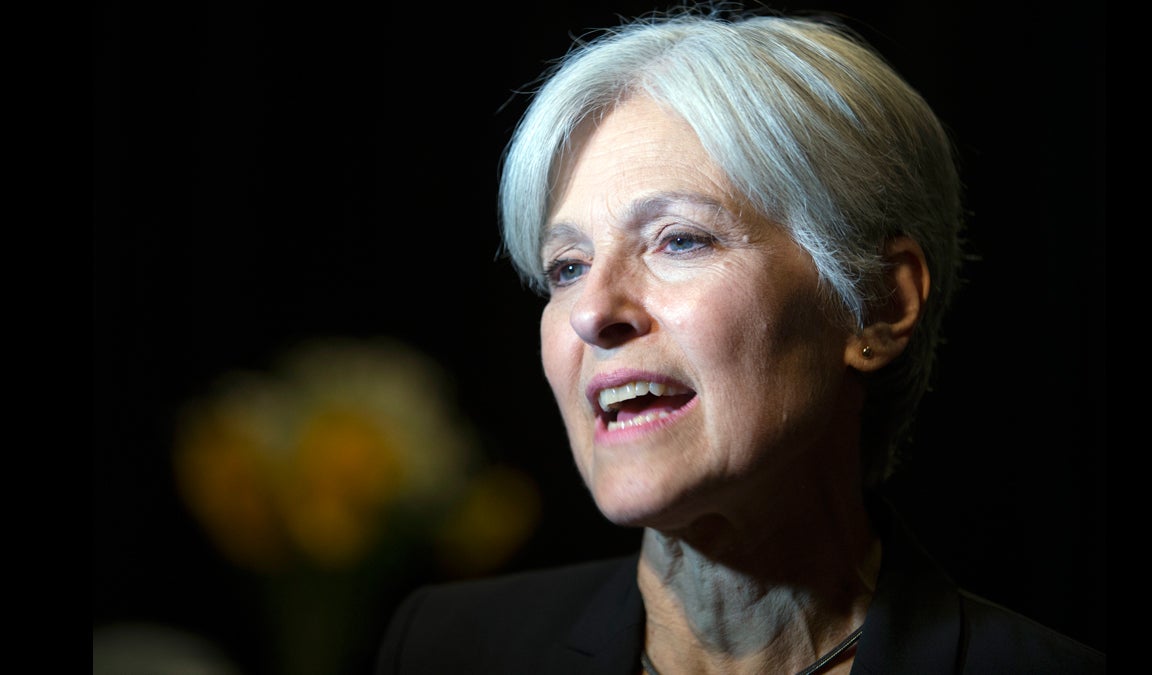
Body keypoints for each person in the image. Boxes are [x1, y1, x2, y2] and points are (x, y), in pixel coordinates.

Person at [375, 5, 1105, 674]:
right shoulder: (446, 647)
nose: (592, 312)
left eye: (680, 240)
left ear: (878, 305)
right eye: (566, 266)